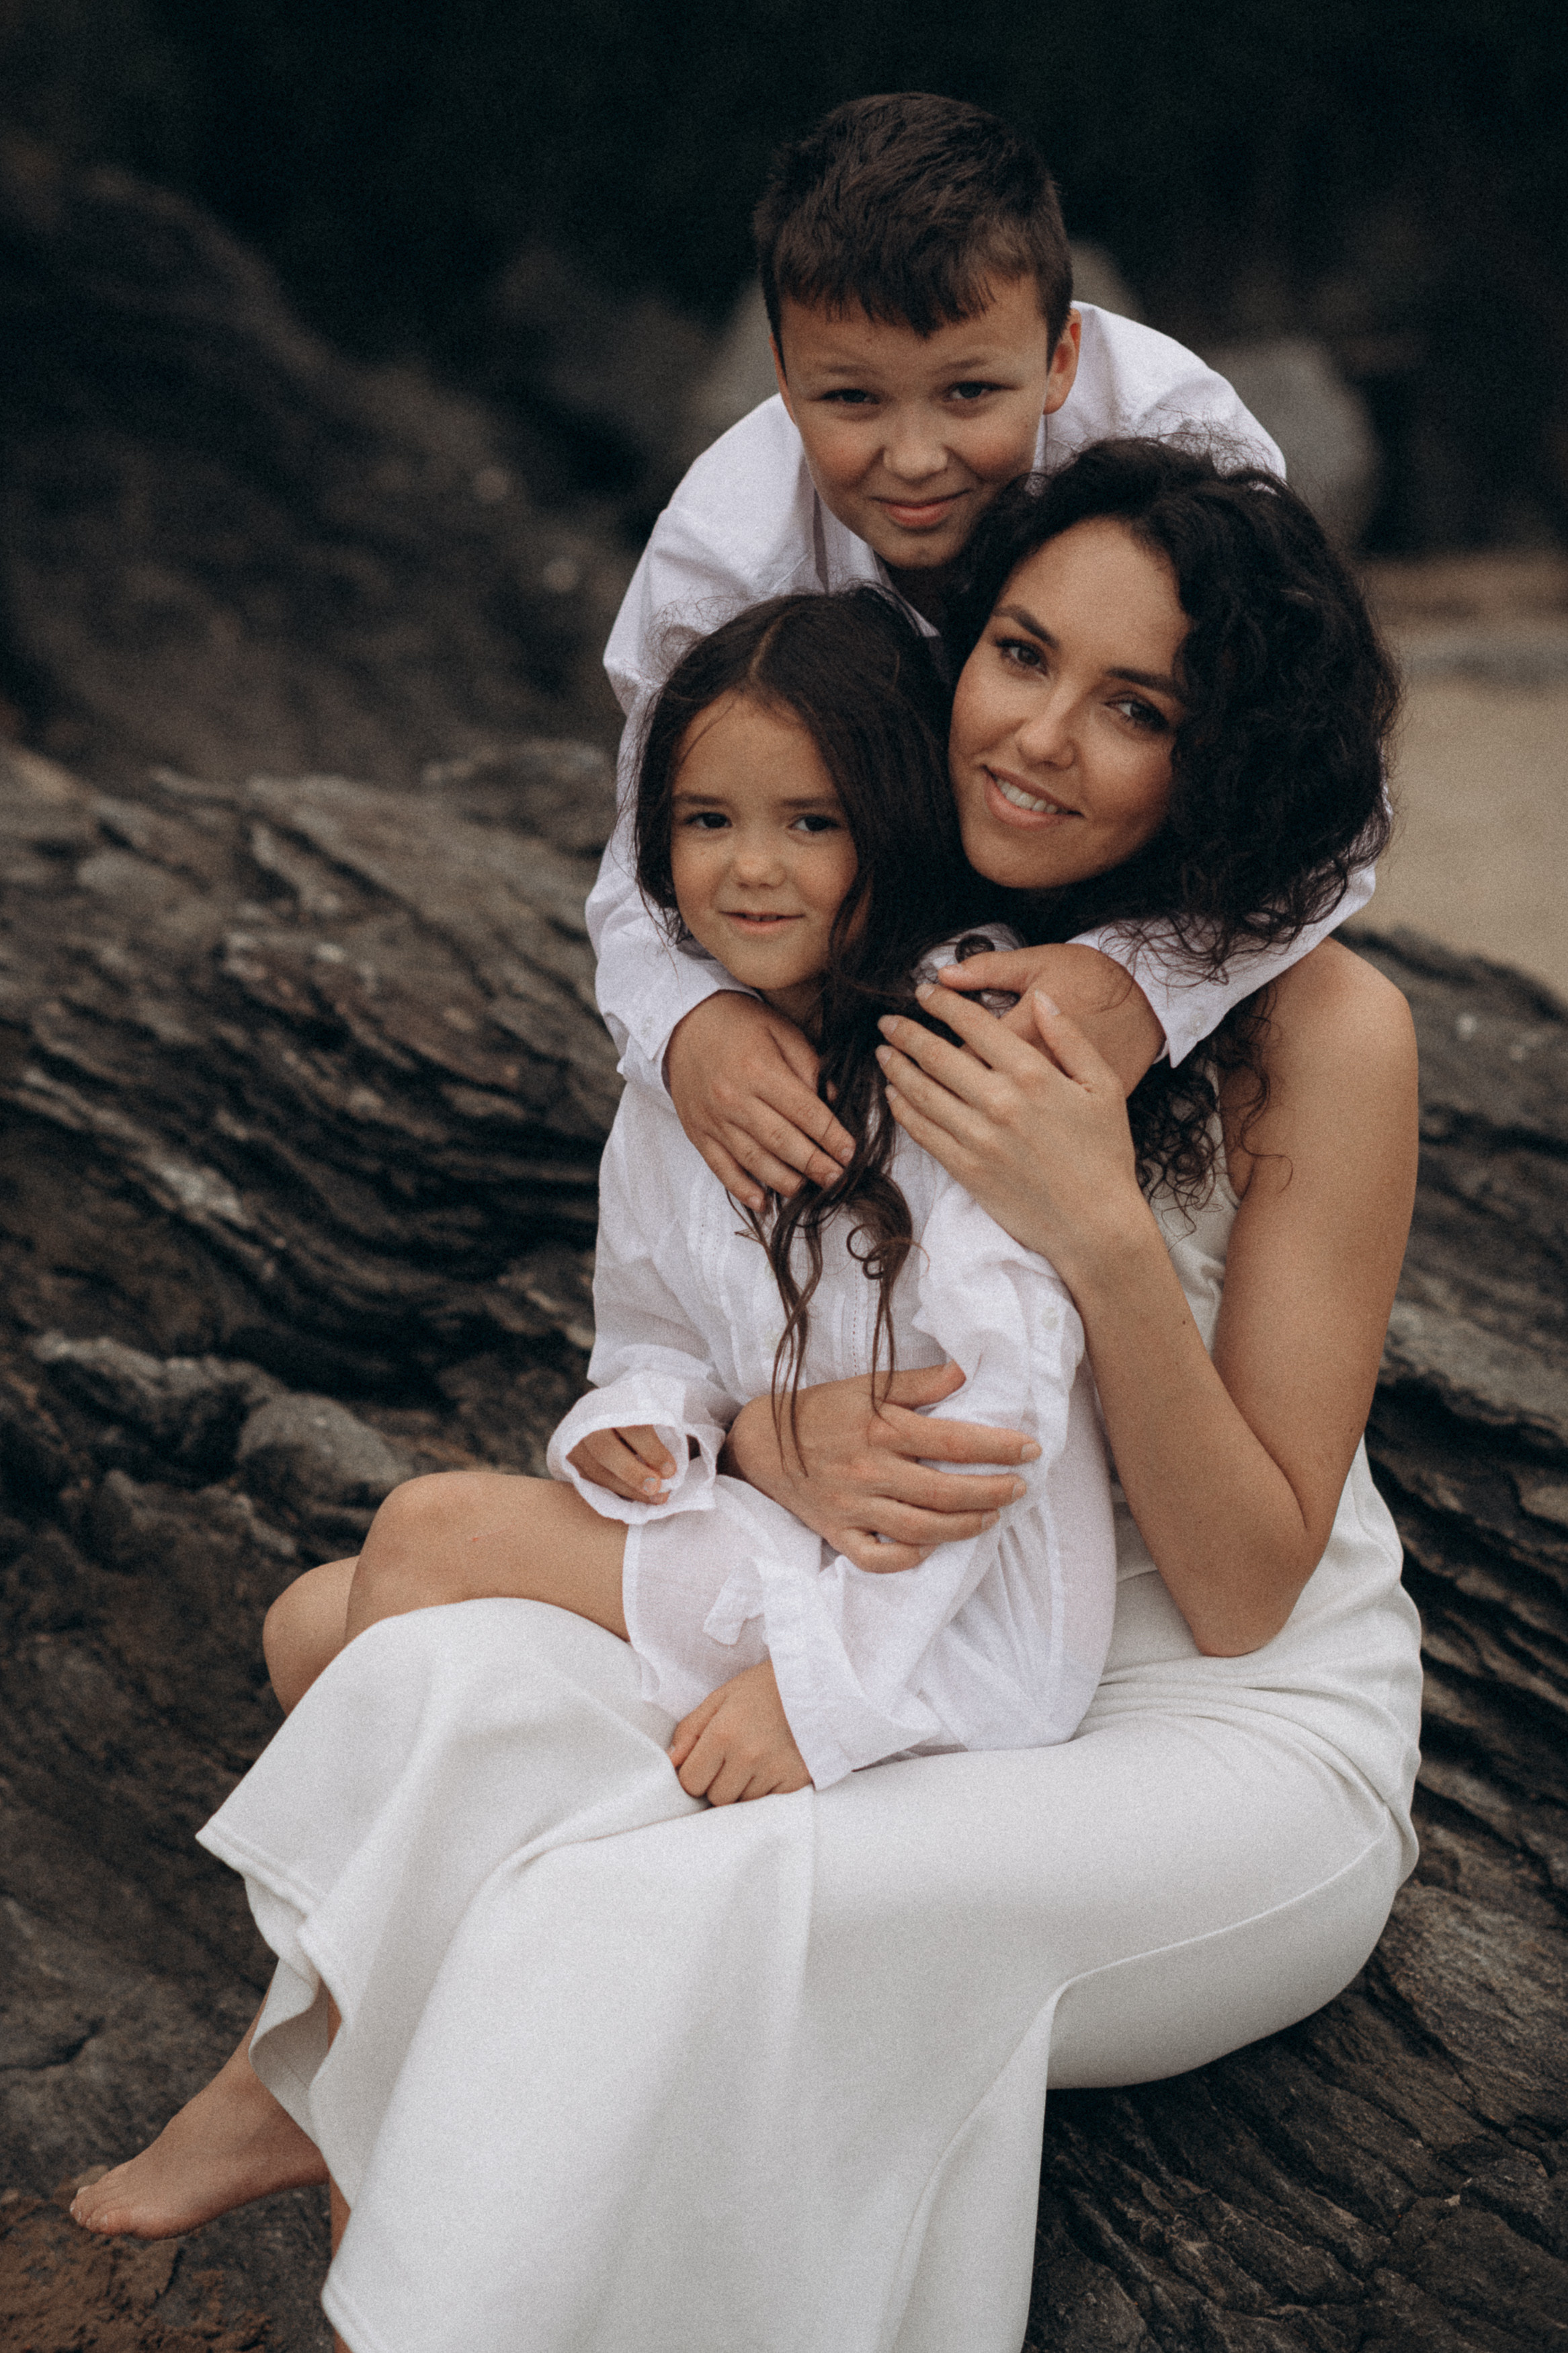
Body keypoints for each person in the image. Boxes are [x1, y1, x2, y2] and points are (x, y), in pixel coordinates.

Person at [79, 440, 1421, 2353]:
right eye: (1019, 652)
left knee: (648, 1913)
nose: (1036, 736)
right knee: (409, 1666)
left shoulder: (1319, 1031)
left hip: (1211, 1730)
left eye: (1135, 708)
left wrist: (1104, 1237)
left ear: (1221, 754)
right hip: (910, 1618)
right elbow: (748, 1256)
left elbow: (1238, 1586)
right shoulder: (895, 891)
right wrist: (765, 1434)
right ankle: (310, 2076)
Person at [590, 91, 1376, 1246]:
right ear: (781, 374)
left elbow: (1324, 788)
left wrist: (1144, 987)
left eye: (969, 392)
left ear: (1060, 356)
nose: (914, 458)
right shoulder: (721, 550)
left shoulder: (1184, 445)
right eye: (849, 398)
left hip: (1140, 880)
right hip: (883, 926)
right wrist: (686, 1021)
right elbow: (652, 833)